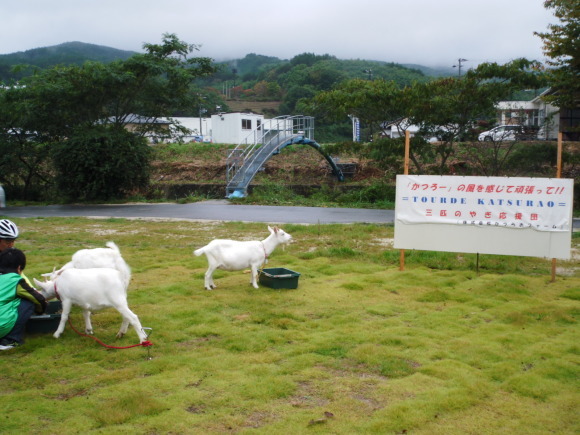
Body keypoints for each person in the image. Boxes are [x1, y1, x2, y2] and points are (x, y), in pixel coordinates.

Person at [0, 248, 47, 350]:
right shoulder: (15, 280)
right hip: (1, 327)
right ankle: (10, 340)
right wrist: (41, 310)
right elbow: (38, 299)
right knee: (27, 302)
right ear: (19, 268)